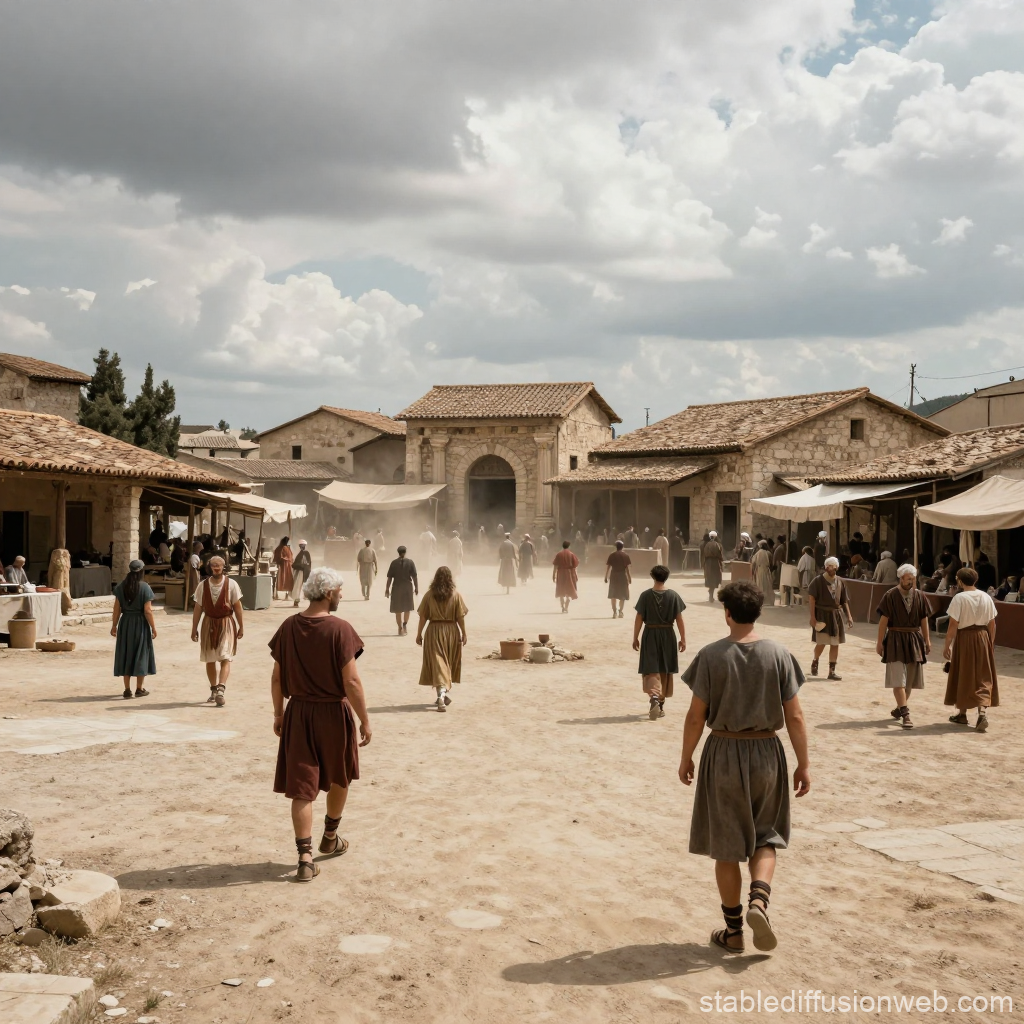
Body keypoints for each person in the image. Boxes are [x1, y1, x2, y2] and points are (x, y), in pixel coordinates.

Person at [678, 580, 810, 953]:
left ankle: (733, 932)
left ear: (728, 613)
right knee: (765, 835)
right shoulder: (779, 654)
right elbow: (796, 717)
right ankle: (759, 902)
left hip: (723, 752)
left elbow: (694, 717)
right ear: (759, 612)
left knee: (726, 846)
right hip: (768, 752)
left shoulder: (711, 655)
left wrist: (687, 756)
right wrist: (803, 764)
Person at [270, 566, 371, 882]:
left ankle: (304, 856)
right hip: (332, 713)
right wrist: (365, 720)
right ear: (329, 593)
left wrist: (279, 713)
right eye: (340, 589)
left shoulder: (288, 627)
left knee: (302, 786)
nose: (342, 594)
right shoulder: (340, 629)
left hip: (298, 713)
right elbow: (351, 681)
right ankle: (330, 834)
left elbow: (276, 677)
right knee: (340, 773)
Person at [875, 564, 931, 729]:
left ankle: (900, 708)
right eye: (908, 579)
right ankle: (906, 714)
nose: (911, 582)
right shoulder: (890, 595)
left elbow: (924, 619)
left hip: (914, 639)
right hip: (895, 639)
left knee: (909, 682)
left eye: (913, 579)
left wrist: (927, 639)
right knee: (898, 678)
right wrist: (879, 642)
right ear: (901, 578)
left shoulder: (920, 596)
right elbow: (883, 621)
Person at [943, 567, 999, 733]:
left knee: (964, 673)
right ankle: (979, 712)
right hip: (982, 637)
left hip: (965, 637)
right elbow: (992, 624)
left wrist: (947, 645)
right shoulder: (986, 597)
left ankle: (963, 713)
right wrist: (990, 643)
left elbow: (953, 625)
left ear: (960, 581)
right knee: (982, 675)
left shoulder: (959, 598)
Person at [632, 565, 686, 720]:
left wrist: (635, 637)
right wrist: (683, 638)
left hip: (650, 633)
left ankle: (654, 697)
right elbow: (679, 619)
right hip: (668, 634)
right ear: (666, 577)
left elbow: (639, 618)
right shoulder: (674, 596)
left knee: (651, 667)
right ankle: (660, 703)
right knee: (664, 667)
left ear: (652, 576)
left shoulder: (645, 596)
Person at [191, 555, 244, 706]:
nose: (216, 568)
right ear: (210, 567)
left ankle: (221, 688)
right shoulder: (202, 586)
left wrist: (241, 626)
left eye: (218, 565)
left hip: (226, 622)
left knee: (225, 656)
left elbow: (237, 607)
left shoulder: (232, 584)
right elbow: (198, 608)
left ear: (223, 567)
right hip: (208, 623)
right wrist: (194, 628)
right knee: (210, 658)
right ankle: (213, 689)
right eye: (213, 565)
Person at [416, 566, 469, 712]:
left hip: (433, 631)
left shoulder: (429, 595)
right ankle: (442, 694)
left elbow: (423, 617)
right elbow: (460, 617)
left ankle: (441, 694)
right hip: (451, 631)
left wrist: (419, 633)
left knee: (439, 663)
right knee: (445, 664)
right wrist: (464, 633)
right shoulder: (456, 595)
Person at [111, 559, 157, 699]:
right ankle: (139, 688)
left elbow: (116, 609)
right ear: (142, 571)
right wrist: (153, 627)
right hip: (140, 624)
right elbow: (148, 610)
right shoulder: (145, 587)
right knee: (141, 653)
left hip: (125, 623)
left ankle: (126, 689)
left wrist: (114, 625)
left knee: (126, 653)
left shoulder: (120, 587)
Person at [807, 556, 853, 680]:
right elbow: (811, 599)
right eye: (827, 565)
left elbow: (844, 601)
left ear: (836, 567)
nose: (828, 568)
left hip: (836, 616)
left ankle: (831, 671)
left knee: (835, 643)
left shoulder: (841, 582)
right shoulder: (818, 581)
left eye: (831, 565)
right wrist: (813, 617)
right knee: (821, 642)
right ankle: (815, 661)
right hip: (822, 614)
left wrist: (849, 616)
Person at [385, 546, 418, 635]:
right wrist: (416, 587)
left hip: (397, 587)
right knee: (407, 608)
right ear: (405, 552)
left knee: (398, 609)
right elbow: (414, 576)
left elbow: (389, 577)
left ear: (398, 552)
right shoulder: (410, 562)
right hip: (407, 587)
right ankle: (405, 624)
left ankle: (399, 627)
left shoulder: (394, 563)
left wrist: (387, 589)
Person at [605, 540, 632, 618]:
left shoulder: (612, 555)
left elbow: (608, 567)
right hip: (622, 576)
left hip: (613, 576)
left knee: (613, 594)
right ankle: (620, 611)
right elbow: (627, 568)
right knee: (622, 594)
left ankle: (614, 612)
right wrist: (629, 578)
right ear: (622, 547)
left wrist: (606, 577)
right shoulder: (625, 556)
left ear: (616, 547)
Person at [552, 539, 580, 613]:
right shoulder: (571, 554)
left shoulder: (559, 554)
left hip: (561, 573)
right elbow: (575, 566)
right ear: (569, 546)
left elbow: (555, 566)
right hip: (569, 573)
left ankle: (562, 606)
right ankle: (566, 607)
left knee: (561, 589)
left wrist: (553, 575)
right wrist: (576, 576)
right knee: (569, 590)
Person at [750, 540, 776, 607]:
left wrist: (752, 572)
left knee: (760, 585)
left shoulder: (758, 553)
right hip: (767, 571)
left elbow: (753, 563)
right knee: (767, 585)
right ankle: (768, 601)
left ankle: (761, 600)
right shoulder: (768, 553)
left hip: (759, 571)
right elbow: (771, 564)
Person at [701, 531, 724, 603]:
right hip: (715, 563)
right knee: (714, 579)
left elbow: (704, 554)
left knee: (710, 578)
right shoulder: (717, 545)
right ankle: (711, 594)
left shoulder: (707, 545)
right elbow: (720, 555)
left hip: (708, 563)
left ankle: (711, 593)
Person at [291, 540, 312, 607]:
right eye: (301, 545)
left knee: (301, 587)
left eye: (303, 545)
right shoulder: (300, 554)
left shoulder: (306, 553)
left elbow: (308, 564)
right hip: (299, 572)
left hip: (304, 572)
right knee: (298, 587)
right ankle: (296, 601)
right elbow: (295, 564)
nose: (302, 546)